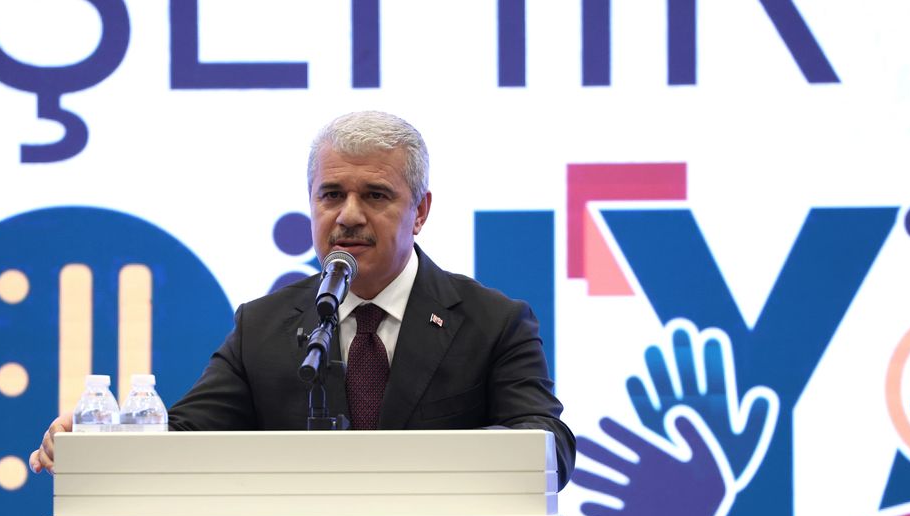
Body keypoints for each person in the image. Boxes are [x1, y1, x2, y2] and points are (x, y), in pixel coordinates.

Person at [30, 111, 575, 484]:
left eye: (376, 195)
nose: (349, 216)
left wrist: (456, 461)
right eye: (331, 195)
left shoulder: (492, 323)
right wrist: (103, 441)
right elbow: (185, 437)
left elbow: (550, 442)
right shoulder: (262, 327)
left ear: (421, 211)